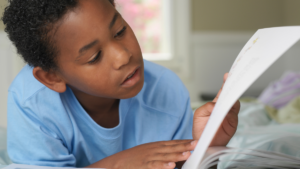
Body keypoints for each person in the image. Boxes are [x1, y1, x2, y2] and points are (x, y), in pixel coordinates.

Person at [2, 0, 240, 168]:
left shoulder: (166, 90)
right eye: (94, 57)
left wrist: (207, 149)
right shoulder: (31, 102)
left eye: (119, 31)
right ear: (53, 78)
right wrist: (117, 164)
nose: (123, 56)